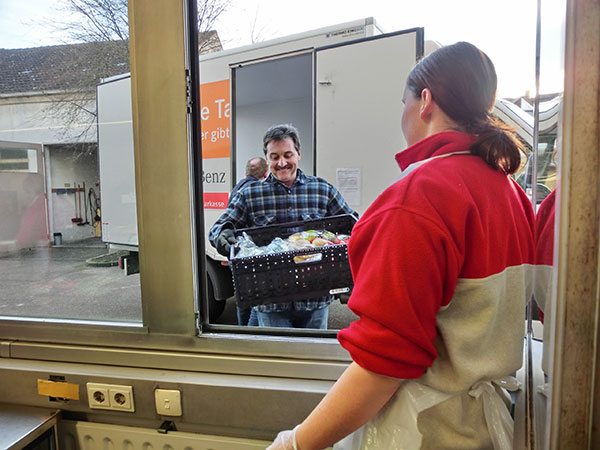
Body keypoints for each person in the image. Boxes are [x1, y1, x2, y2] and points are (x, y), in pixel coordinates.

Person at [267, 42, 535, 449]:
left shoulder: (417, 198)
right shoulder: (510, 192)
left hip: (424, 431)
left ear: (425, 101)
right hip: (485, 428)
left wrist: (294, 443)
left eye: (403, 101)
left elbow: (383, 364)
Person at [209, 123, 357, 329]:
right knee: (276, 357)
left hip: (315, 299)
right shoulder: (250, 195)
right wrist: (222, 235)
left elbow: (351, 225)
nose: (282, 163)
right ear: (267, 158)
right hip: (271, 302)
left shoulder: (322, 190)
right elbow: (219, 228)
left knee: (312, 356)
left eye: (288, 154)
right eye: (274, 156)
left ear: (298, 154)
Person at [229, 156, 268, 326]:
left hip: (237, 254)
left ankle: (242, 332)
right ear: (266, 173)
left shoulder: (237, 188)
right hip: (250, 255)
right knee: (257, 300)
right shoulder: (256, 190)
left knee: (243, 297)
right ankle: (250, 332)